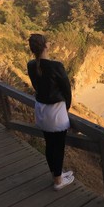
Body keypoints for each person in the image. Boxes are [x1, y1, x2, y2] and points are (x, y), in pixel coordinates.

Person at [27, 33, 74, 190]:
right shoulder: (56, 66)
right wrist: (66, 107)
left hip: (41, 110)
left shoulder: (31, 65)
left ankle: (56, 175)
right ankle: (58, 182)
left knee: (49, 145)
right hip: (56, 112)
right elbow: (67, 91)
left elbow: (36, 86)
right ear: (46, 46)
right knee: (58, 147)